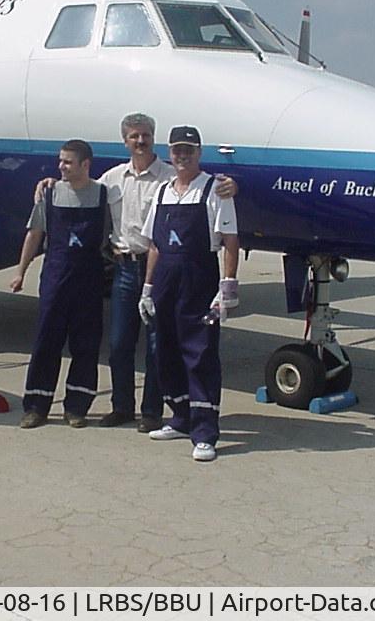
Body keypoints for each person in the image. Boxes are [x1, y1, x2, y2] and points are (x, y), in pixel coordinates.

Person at [34, 114, 237, 433]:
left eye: (145, 135)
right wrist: (49, 183)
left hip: (159, 268)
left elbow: (209, 187)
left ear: (153, 139)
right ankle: (122, 407)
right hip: (125, 267)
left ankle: (153, 411)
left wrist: (232, 184)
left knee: (158, 346)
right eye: (133, 136)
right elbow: (79, 186)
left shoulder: (172, 176)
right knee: (119, 344)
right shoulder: (112, 179)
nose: (140, 141)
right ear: (125, 141)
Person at [139, 126, 239, 462]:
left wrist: (227, 285)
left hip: (199, 280)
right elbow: (154, 243)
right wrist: (148, 287)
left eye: (189, 150)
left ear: (199, 152)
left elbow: (229, 240)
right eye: (177, 150)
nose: (182, 156)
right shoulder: (163, 191)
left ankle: (205, 432)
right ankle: (180, 417)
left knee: (201, 353)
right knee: (165, 350)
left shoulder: (215, 190)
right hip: (166, 279)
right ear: (170, 152)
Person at [11, 139, 109, 429]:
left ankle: (77, 407)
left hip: (89, 280)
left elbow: (113, 232)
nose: (61, 166)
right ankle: (36, 407)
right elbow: (35, 234)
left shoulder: (103, 195)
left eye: (67, 162)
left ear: (85, 165)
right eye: (60, 161)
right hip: (55, 277)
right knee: (46, 342)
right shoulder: (49, 193)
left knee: (86, 345)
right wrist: (21, 271)